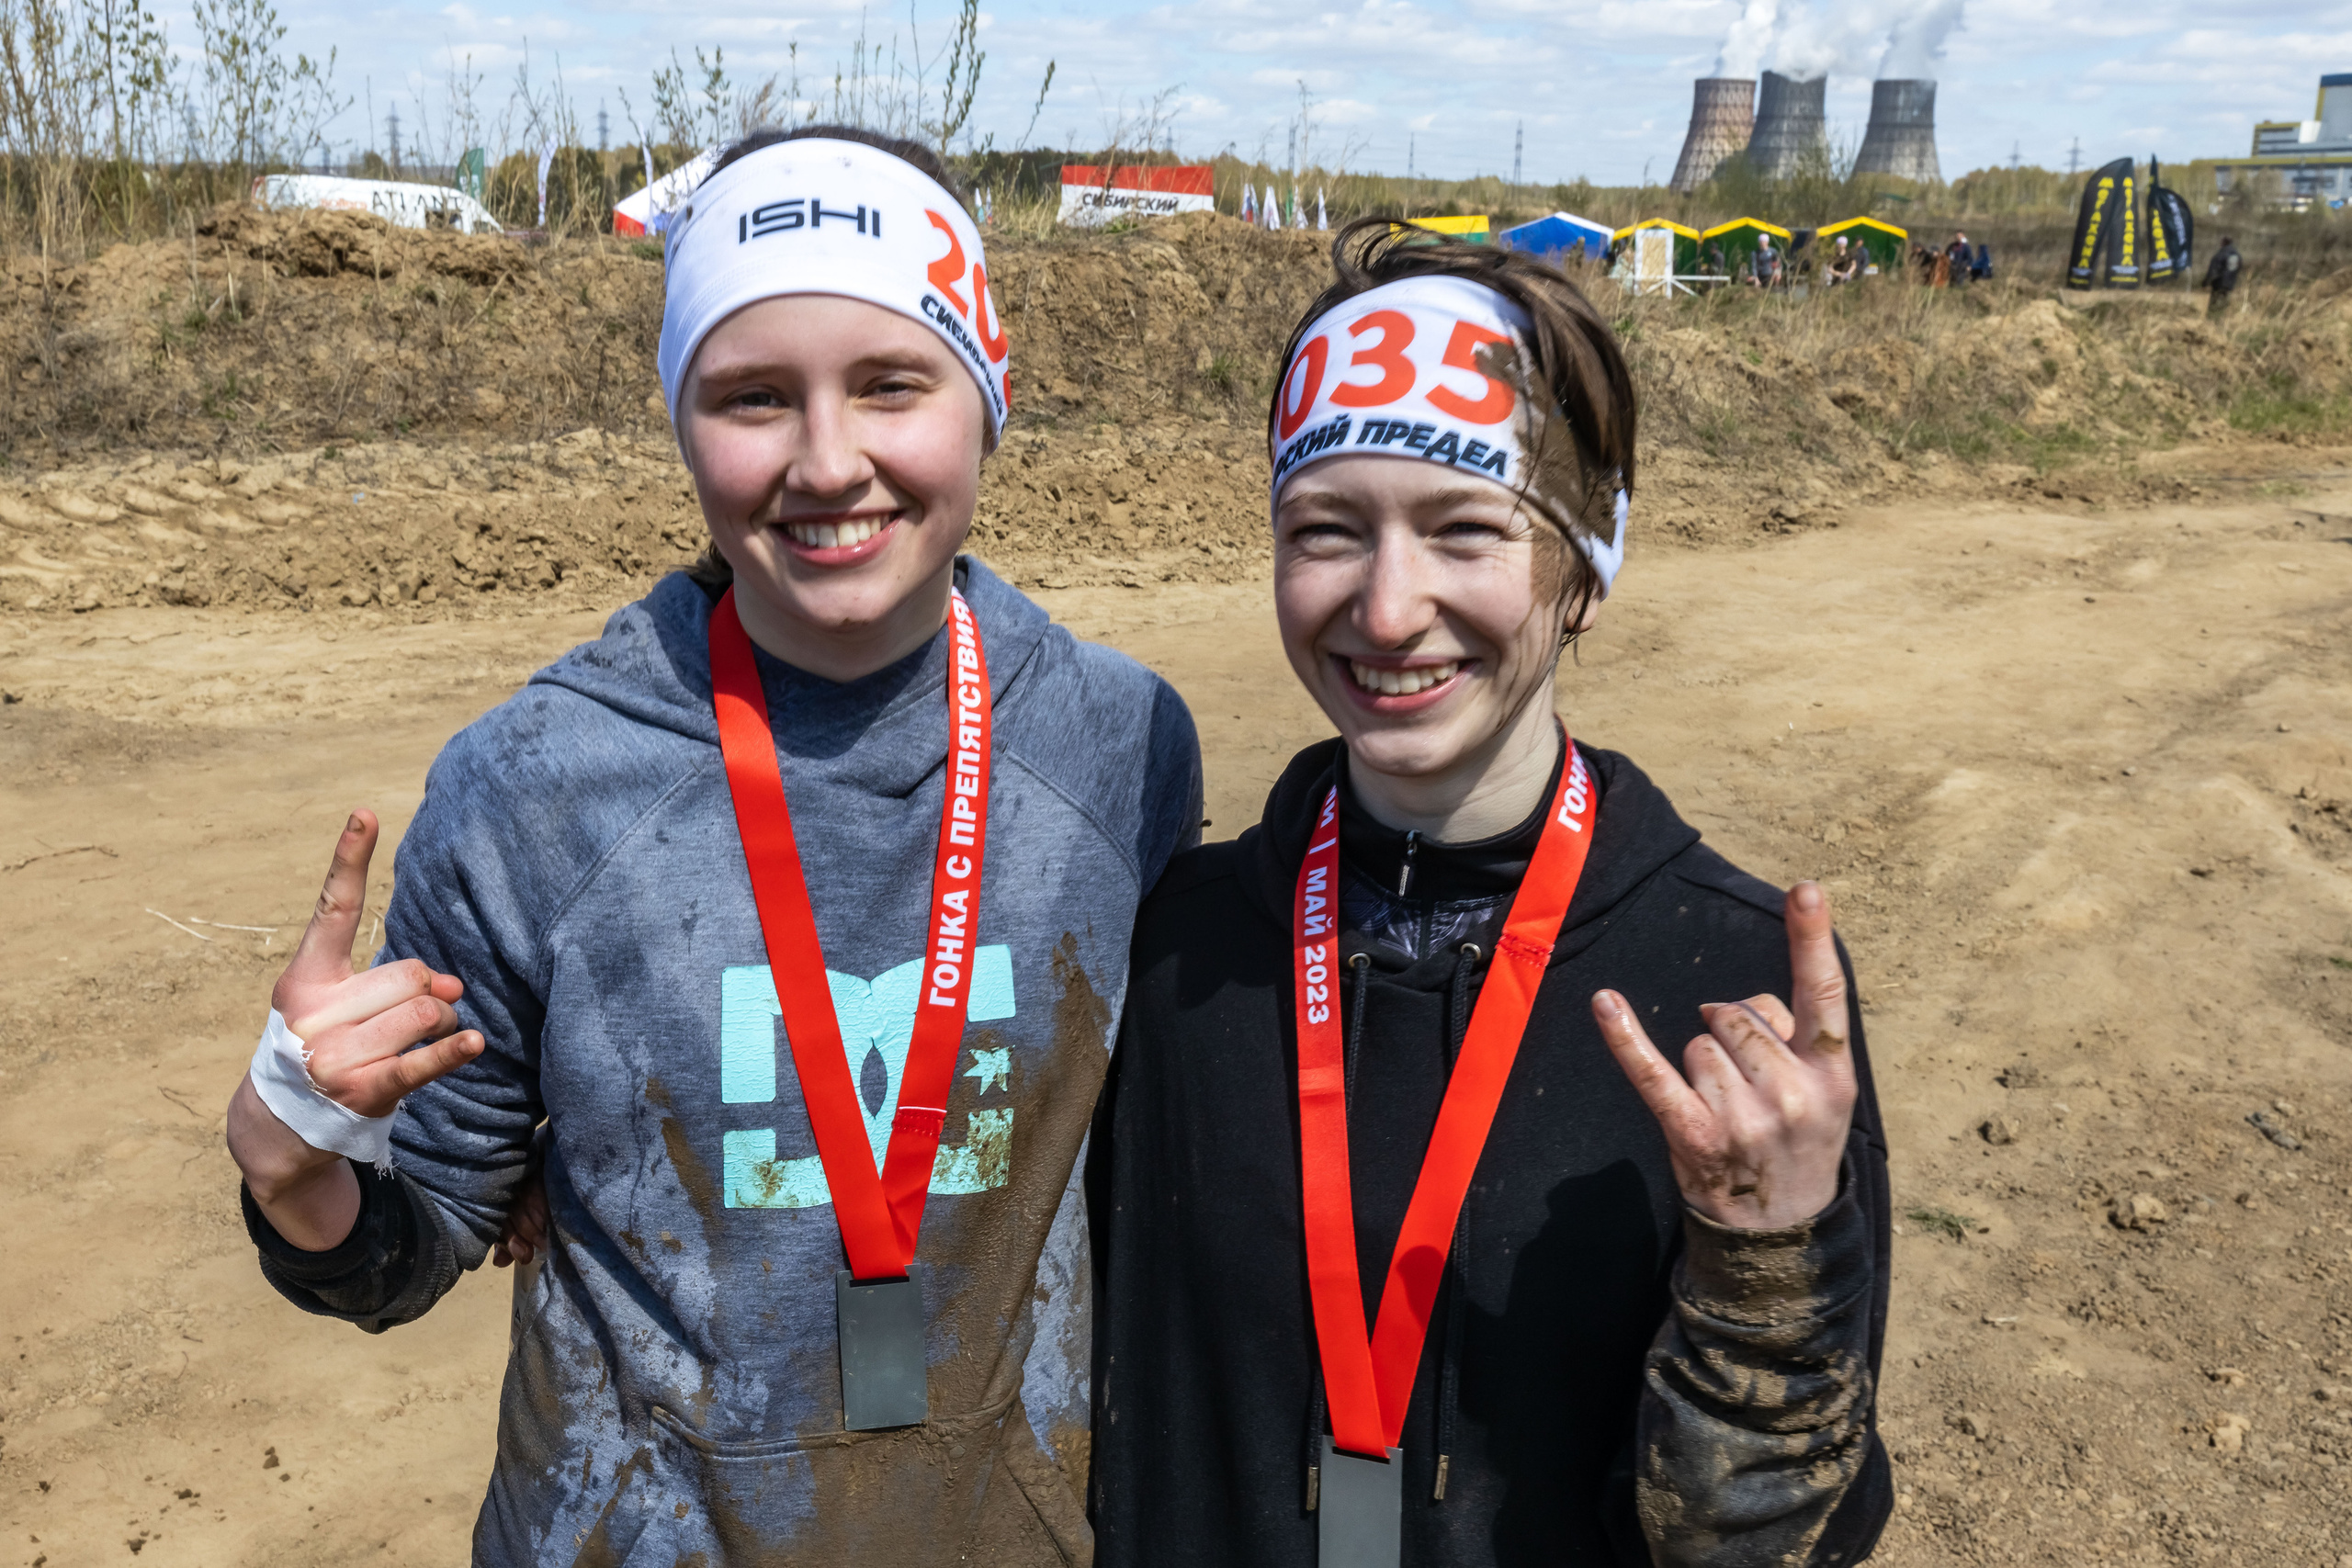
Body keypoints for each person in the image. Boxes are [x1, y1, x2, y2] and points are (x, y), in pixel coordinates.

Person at [224, 125, 1202, 1565]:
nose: (828, 461)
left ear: (985, 395)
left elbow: (1147, 1170)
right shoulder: (531, 787)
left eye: (891, 385)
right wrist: (297, 1170)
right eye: (752, 396)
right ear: (682, 421)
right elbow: (413, 1239)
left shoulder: (1118, 747)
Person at [1089, 221, 1892, 1566]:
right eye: (1326, 530)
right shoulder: (1180, 951)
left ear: (1583, 563)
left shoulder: (1736, 990)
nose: (1388, 609)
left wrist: (1773, 1287)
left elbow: (1779, 1545)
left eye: (1466, 529)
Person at [2206, 235, 2242, 316]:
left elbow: (2213, 269)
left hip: (2218, 283)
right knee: (2224, 300)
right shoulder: (2237, 255)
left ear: (2224, 243)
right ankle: (2221, 316)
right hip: (2230, 284)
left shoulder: (2221, 254)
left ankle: (2212, 317)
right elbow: (2239, 267)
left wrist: (2207, 282)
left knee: (2214, 301)